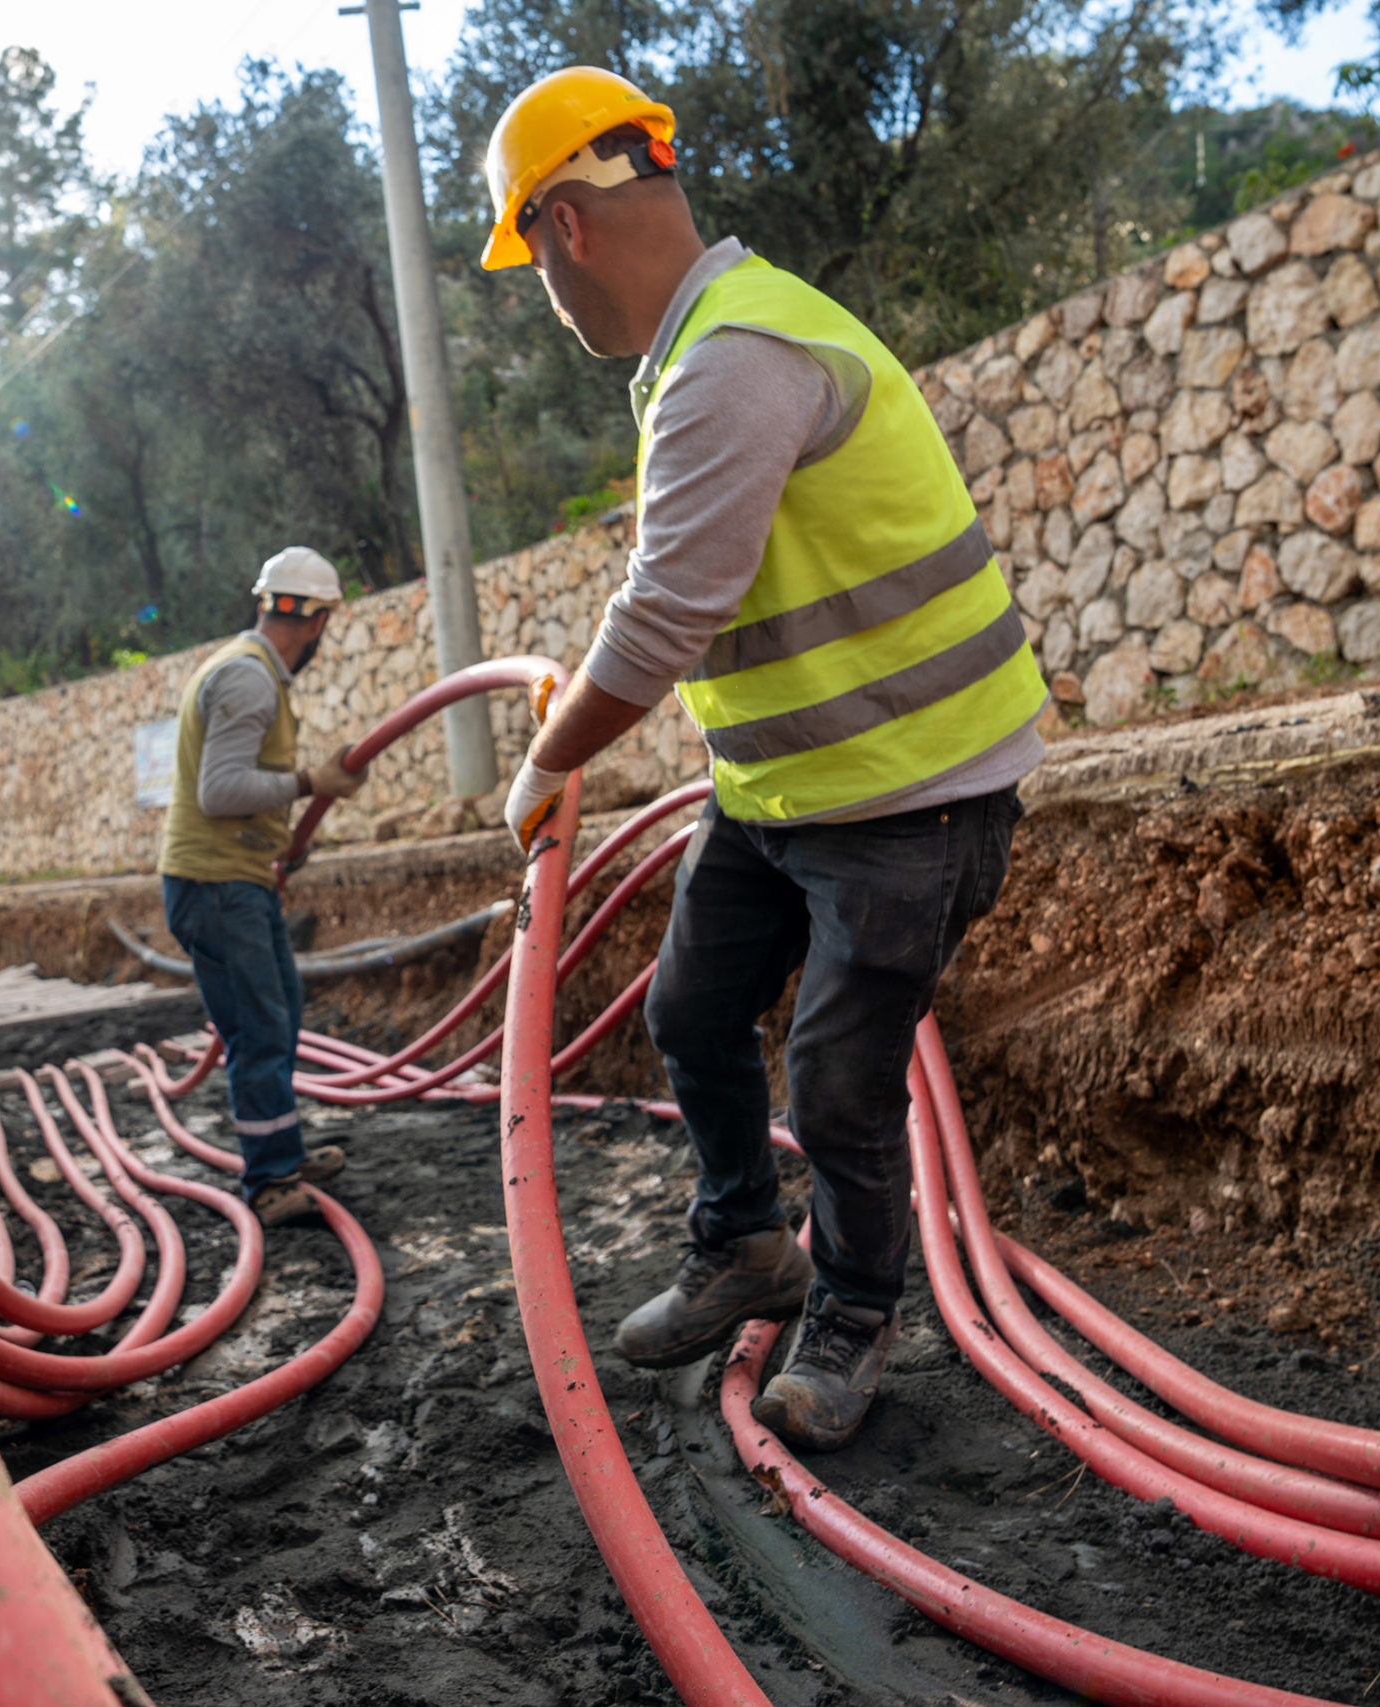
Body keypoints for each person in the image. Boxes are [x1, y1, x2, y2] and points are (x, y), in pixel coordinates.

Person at [480, 68, 1046, 1450]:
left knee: (839, 1083)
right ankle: (745, 1243)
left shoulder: (736, 357)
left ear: (565, 226)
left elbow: (662, 618)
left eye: (529, 256)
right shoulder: (709, 347)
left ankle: (851, 1314)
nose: (545, 292)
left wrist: (543, 762)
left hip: (913, 794)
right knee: (691, 1008)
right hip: (786, 792)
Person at [158, 547, 370, 1229]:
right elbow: (220, 791)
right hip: (217, 886)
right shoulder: (250, 680)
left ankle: (282, 1154)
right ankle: (270, 1179)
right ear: (315, 621)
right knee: (258, 1027)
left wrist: (281, 844)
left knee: (277, 1013)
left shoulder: (244, 670)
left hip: (234, 880)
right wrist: (310, 782)